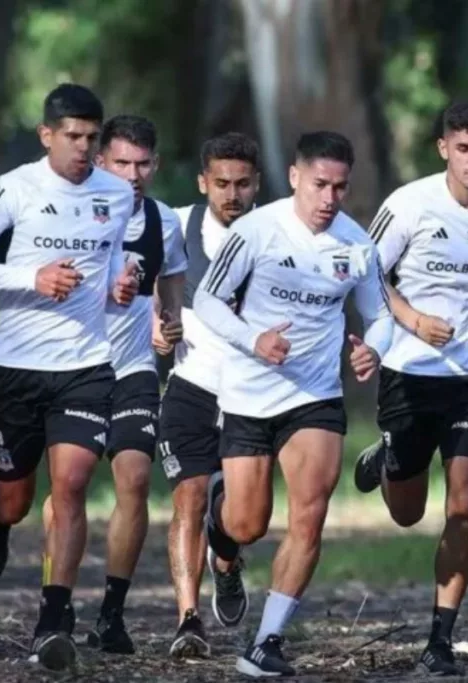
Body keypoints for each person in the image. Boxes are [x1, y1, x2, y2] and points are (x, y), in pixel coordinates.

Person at [0, 83, 138, 671]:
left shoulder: (116, 194)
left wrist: (114, 287)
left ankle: (52, 622)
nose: (83, 148)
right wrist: (33, 277)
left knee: (73, 484)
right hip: (17, 368)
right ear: (47, 135)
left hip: (84, 364)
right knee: (17, 496)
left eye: (92, 138)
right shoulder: (14, 189)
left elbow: (105, 269)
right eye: (72, 137)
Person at [195, 130, 392, 678]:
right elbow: (208, 299)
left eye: (341, 187)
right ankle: (223, 538)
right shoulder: (256, 230)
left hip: (314, 396)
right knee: (247, 523)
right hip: (248, 394)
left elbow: (380, 315)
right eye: (320, 185)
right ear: (295, 178)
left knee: (310, 514)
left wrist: (373, 349)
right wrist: (253, 339)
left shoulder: (357, 244)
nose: (329, 199)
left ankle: (266, 642)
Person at [352, 101, 468, 676]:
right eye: (463, 148)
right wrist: (410, 319)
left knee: (464, 505)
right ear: (443, 149)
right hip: (409, 373)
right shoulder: (408, 205)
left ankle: (440, 639)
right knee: (407, 512)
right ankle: (387, 461)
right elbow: (368, 273)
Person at [37, 114, 188, 654]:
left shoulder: (164, 222)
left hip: (134, 370)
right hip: (74, 368)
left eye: (143, 163)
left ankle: (112, 613)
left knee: (135, 478)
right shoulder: (71, 214)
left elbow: (169, 287)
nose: (133, 173)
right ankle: (54, 605)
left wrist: (167, 325)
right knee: (67, 487)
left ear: (156, 164)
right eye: (121, 162)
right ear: (100, 161)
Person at [157, 132, 259, 658]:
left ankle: (227, 560)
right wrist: (155, 324)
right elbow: (141, 280)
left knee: (241, 515)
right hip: (191, 386)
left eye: (242, 183)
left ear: (256, 184)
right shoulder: (176, 224)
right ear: (203, 183)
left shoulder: (278, 232)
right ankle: (188, 621)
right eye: (221, 183)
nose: (232, 194)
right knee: (189, 500)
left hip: (252, 396)